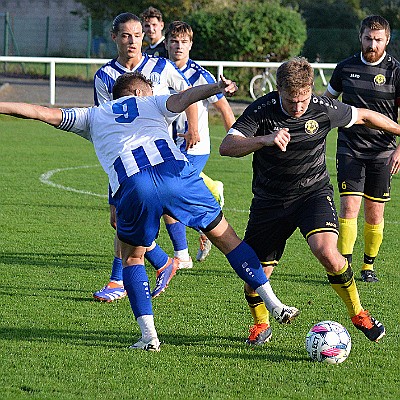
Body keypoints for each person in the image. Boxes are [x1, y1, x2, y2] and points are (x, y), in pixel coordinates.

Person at [0, 71, 300, 351]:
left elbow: (38, 111)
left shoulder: (91, 115)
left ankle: (149, 336)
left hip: (134, 184)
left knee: (133, 256)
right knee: (229, 240)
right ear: (138, 91)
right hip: (176, 174)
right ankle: (275, 305)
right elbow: (185, 97)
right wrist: (217, 88)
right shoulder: (151, 101)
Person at [219, 57, 399, 345]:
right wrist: (264, 139)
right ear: (279, 90)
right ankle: (261, 323)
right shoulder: (262, 109)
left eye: (303, 100)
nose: (298, 107)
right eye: (291, 101)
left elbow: (365, 115)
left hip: (312, 193)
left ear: (310, 91)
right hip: (270, 200)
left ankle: (358, 313)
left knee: (327, 251)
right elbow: (226, 147)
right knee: (255, 275)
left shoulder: (323, 108)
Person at [93, 12, 198, 303]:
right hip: (125, 158)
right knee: (120, 220)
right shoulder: (104, 77)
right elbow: (105, 120)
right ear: (114, 37)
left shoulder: (160, 66)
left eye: (137, 35)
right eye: (125, 35)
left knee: (141, 214)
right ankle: (165, 261)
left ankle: (119, 280)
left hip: (159, 156)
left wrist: (193, 127)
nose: (132, 41)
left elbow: (187, 92)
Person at [323, 15, 400, 283]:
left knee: (375, 211)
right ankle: (345, 266)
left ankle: (369, 267)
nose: (372, 44)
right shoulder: (345, 68)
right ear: (360, 37)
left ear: (387, 40)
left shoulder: (396, 72)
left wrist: (399, 149)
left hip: (383, 152)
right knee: (348, 207)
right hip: (350, 148)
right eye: (368, 38)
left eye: (378, 39)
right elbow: (326, 102)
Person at [165, 20, 235, 262]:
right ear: (166, 43)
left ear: (191, 45)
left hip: (194, 147)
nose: (178, 46)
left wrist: (236, 139)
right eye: (174, 41)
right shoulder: (159, 70)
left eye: (184, 42)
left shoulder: (200, 75)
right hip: (166, 146)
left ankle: (182, 255)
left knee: (167, 197)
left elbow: (225, 110)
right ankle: (209, 200)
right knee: (169, 198)